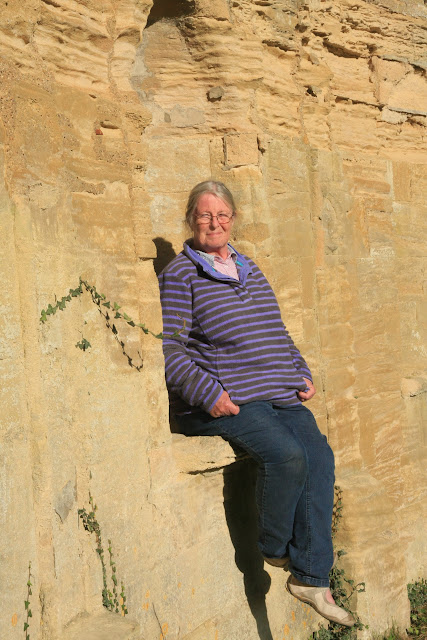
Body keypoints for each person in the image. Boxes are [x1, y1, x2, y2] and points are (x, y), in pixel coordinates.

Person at [158, 180, 355, 627]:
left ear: (233, 220)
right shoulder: (181, 274)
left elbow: (276, 330)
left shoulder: (249, 267)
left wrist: (300, 370)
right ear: (190, 220)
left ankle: (310, 578)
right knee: (287, 457)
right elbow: (171, 348)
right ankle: (274, 547)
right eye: (205, 215)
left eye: (222, 215)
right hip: (233, 399)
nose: (214, 223)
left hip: (279, 391)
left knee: (320, 457)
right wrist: (209, 394)